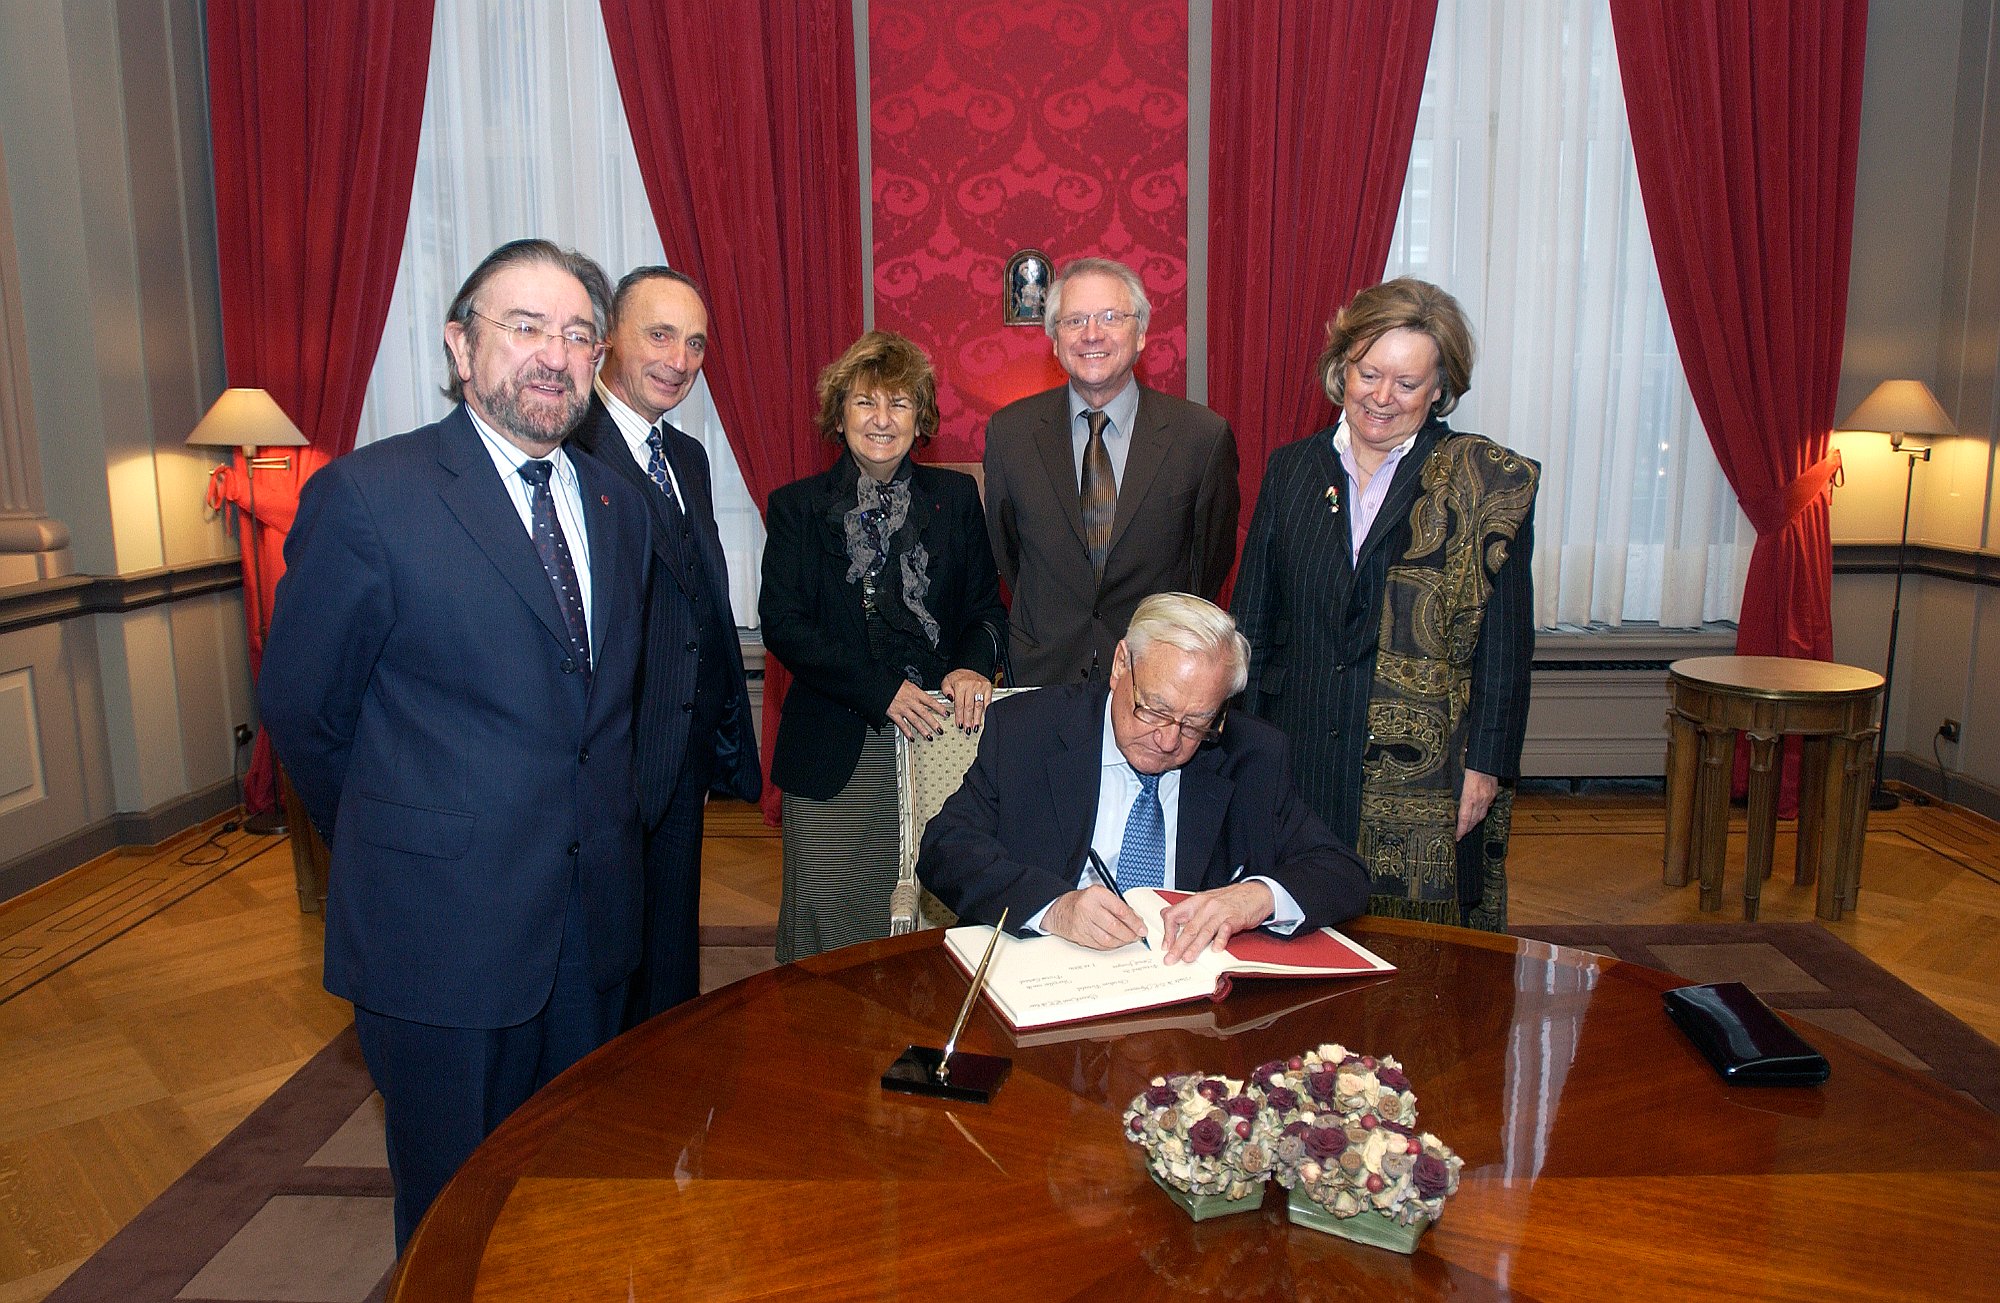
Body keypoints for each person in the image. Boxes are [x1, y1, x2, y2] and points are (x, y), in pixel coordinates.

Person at [258, 239, 652, 1251]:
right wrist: (412, 842)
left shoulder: (620, 508)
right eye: (523, 327)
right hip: (441, 930)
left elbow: (605, 713)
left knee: (568, 1181)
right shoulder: (369, 497)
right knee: (451, 1208)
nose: (552, 356)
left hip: (590, 923)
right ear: (459, 344)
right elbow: (307, 714)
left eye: (575, 334)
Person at [1231, 278, 1538, 931]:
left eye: (1406, 383)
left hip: (1428, 777)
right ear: (1341, 366)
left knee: (1417, 961)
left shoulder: (1485, 488)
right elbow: (1253, 626)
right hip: (1301, 757)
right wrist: (1241, 755)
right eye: (1369, 372)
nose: (1381, 397)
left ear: (1440, 389)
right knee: (1301, 938)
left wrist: (1486, 765)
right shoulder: (1290, 471)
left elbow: (1506, 650)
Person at [919, 593, 1369, 960]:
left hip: (1183, 1003)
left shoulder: (1252, 755)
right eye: (1154, 709)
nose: (1169, 739)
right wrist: (1055, 908)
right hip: (1049, 982)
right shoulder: (1028, 730)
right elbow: (945, 850)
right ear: (1120, 665)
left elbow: (1343, 874)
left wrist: (1253, 897)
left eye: (1196, 723)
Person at [759, 331, 1006, 962]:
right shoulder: (796, 508)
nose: (881, 419)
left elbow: (984, 608)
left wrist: (974, 666)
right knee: (827, 915)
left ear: (919, 419)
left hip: (941, 744)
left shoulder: (955, 501)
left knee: (930, 922)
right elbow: (783, 624)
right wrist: (880, 691)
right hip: (834, 747)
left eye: (898, 404)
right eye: (866, 402)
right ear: (838, 414)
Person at [568, 266, 760, 1028]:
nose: (679, 360)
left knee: (671, 948)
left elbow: (698, 597)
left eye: (696, 343)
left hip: (678, 756)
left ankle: (672, 1095)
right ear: (609, 334)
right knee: (610, 959)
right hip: (608, 756)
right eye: (659, 334)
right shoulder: (570, 449)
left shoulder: (687, 456)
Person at [983, 257, 1240, 685]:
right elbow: (1009, 556)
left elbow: (1207, 566)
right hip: (1045, 675)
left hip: (1156, 680)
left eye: (1110, 317)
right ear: (1054, 341)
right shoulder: (1011, 433)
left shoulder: (1201, 437)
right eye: (1075, 320)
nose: (1092, 334)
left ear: (1140, 334)